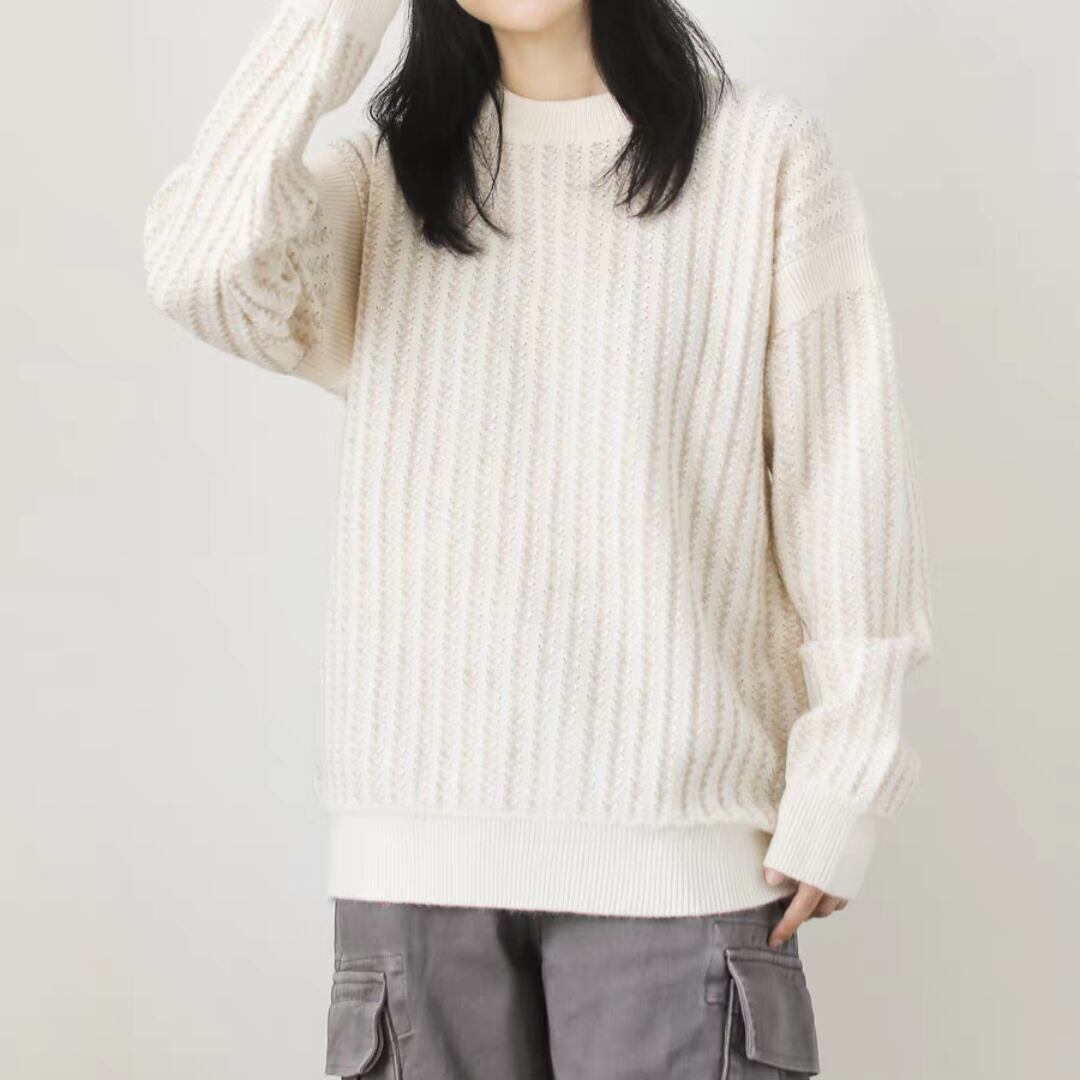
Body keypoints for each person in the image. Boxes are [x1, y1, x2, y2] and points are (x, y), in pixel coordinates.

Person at [142, 1, 934, 1076]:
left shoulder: (764, 158)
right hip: (416, 870)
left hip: (679, 863)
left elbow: (843, 480)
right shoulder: (381, 177)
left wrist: (846, 776)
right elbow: (198, 272)